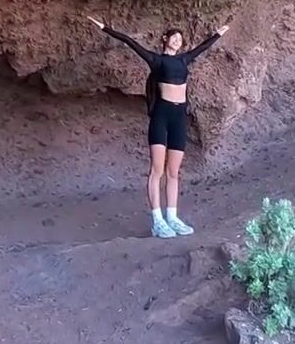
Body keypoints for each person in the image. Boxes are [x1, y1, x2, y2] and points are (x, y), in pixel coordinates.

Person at [87, 15, 228, 239]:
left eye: (180, 38)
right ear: (165, 39)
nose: (178, 40)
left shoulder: (184, 60)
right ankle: (158, 221)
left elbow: (202, 48)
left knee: (173, 172)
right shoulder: (156, 60)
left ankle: (172, 217)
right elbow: (129, 42)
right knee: (157, 170)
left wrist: (219, 33)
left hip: (179, 117)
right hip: (162, 115)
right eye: (174, 37)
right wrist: (104, 27)